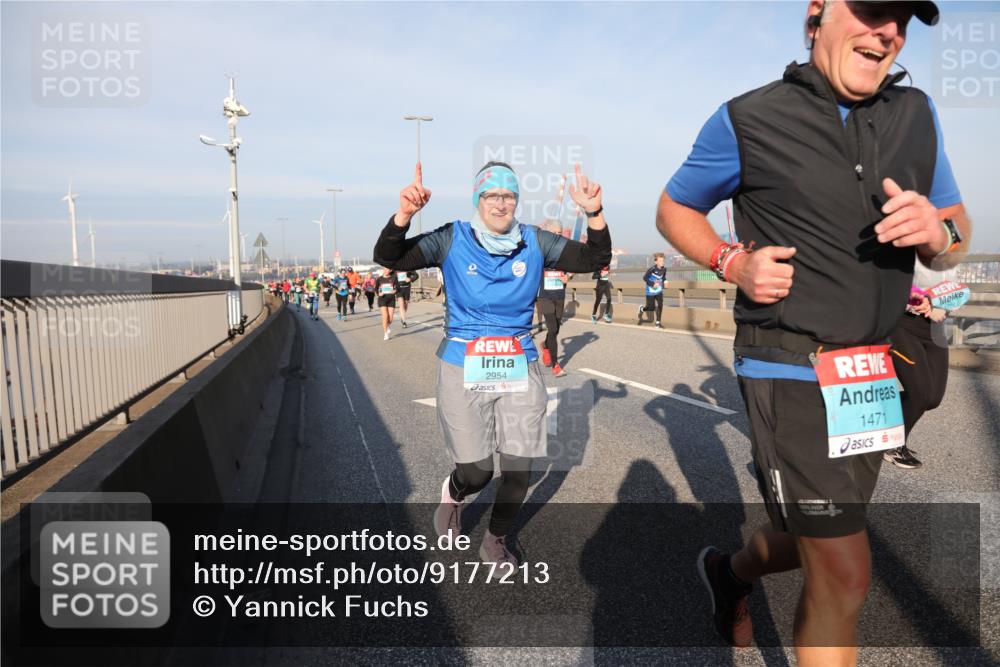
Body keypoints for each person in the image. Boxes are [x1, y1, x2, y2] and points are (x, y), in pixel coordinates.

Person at [655, 1, 969, 663]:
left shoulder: (918, 115)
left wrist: (940, 235)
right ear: (817, 13)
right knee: (847, 569)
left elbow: (956, 229)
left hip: (876, 374)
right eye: (874, 9)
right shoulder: (748, 117)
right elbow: (675, 206)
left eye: (902, 20)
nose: (888, 30)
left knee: (816, 535)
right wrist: (731, 261)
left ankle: (729, 571)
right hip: (789, 366)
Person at [374, 161, 610, 565]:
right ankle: (455, 492)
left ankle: (495, 540)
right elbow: (389, 256)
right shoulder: (452, 238)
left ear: (516, 200)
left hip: (518, 361)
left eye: (509, 196)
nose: (501, 204)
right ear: (478, 199)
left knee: (519, 469)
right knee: (478, 470)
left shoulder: (535, 241)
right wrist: (404, 216)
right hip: (464, 362)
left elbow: (593, 259)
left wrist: (593, 213)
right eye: (491, 196)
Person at [884, 258, 966, 468]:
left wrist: (944, 306)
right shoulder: (905, 246)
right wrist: (925, 302)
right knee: (920, 393)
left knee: (933, 398)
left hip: (935, 327)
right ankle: (892, 445)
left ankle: (878, 409)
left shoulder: (949, 251)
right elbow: (888, 284)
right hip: (903, 325)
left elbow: (956, 289)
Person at [537, 267, 570, 376]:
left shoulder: (562, 257)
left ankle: (545, 345)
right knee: (553, 329)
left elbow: (574, 265)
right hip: (544, 298)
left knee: (555, 331)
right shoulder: (542, 255)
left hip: (559, 297)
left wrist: (568, 276)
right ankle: (555, 365)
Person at [637, 253, 667, 328]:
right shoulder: (652, 269)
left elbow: (663, 277)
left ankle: (658, 323)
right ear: (656, 262)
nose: (662, 262)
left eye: (663, 261)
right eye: (660, 261)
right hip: (650, 291)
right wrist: (652, 283)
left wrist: (665, 281)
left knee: (660, 305)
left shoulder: (664, 269)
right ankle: (642, 308)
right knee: (651, 308)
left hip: (659, 290)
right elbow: (645, 278)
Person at [375, 267, 398, 339]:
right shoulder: (379, 279)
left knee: (390, 318)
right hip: (382, 299)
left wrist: (395, 291)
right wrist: (379, 294)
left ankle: (387, 326)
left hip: (391, 299)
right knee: (385, 316)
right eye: (384, 269)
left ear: (390, 270)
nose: (385, 270)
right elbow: (376, 289)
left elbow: (398, 287)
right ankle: (385, 333)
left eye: (387, 269)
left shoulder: (394, 278)